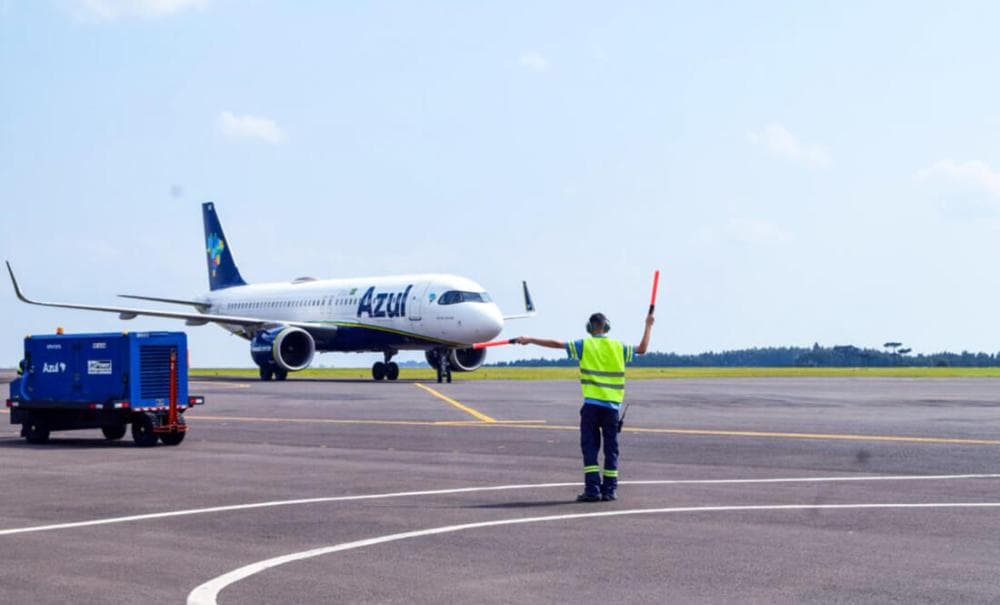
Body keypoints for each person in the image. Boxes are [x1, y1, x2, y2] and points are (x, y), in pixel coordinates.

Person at [516, 311, 654, 502]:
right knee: (611, 449)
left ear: (590, 328)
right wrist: (648, 325)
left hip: (591, 407)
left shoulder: (584, 345)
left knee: (590, 448)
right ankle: (610, 490)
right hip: (612, 408)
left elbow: (557, 344)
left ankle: (592, 490)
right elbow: (642, 348)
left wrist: (530, 339)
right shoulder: (618, 347)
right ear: (607, 327)